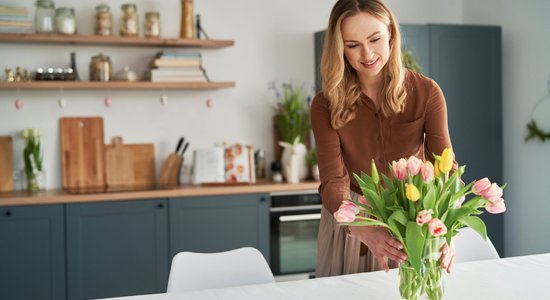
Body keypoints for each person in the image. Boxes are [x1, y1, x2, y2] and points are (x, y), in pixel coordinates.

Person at [311, 0, 456, 277]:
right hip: (352, 219)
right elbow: (332, 180)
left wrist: (446, 228)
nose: (367, 54)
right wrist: (361, 227)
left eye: (375, 39)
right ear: (339, 48)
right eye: (352, 45)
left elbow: (446, 168)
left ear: (390, 32)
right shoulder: (324, 104)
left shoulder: (427, 93)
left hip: (412, 216)